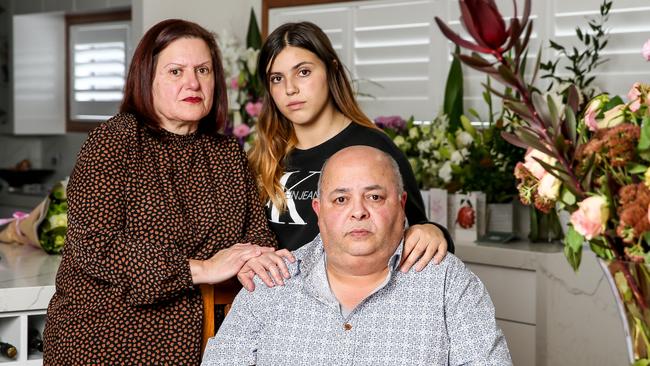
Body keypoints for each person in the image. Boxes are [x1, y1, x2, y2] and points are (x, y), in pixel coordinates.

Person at [43, 19, 277, 365]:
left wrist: (254, 261)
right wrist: (201, 268)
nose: (193, 82)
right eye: (175, 71)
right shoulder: (115, 140)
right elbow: (95, 245)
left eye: (203, 70)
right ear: (146, 77)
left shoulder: (226, 153)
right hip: (103, 339)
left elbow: (256, 234)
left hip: (202, 344)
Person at [202, 146, 511, 365]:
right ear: (319, 212)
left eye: (374, 197)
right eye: (341, 199)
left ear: (402, 205)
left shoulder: (448, 282)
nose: (358, 211)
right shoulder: (271, 283)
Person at [241, 21, 453, 291]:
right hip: (277, 309)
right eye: (277, 78)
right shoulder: (263, 155)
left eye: (303, 72)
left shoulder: (373, 148)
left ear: (331, 69)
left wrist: (433, 231)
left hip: (349, 307)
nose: (290, 89)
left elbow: (418, 229)